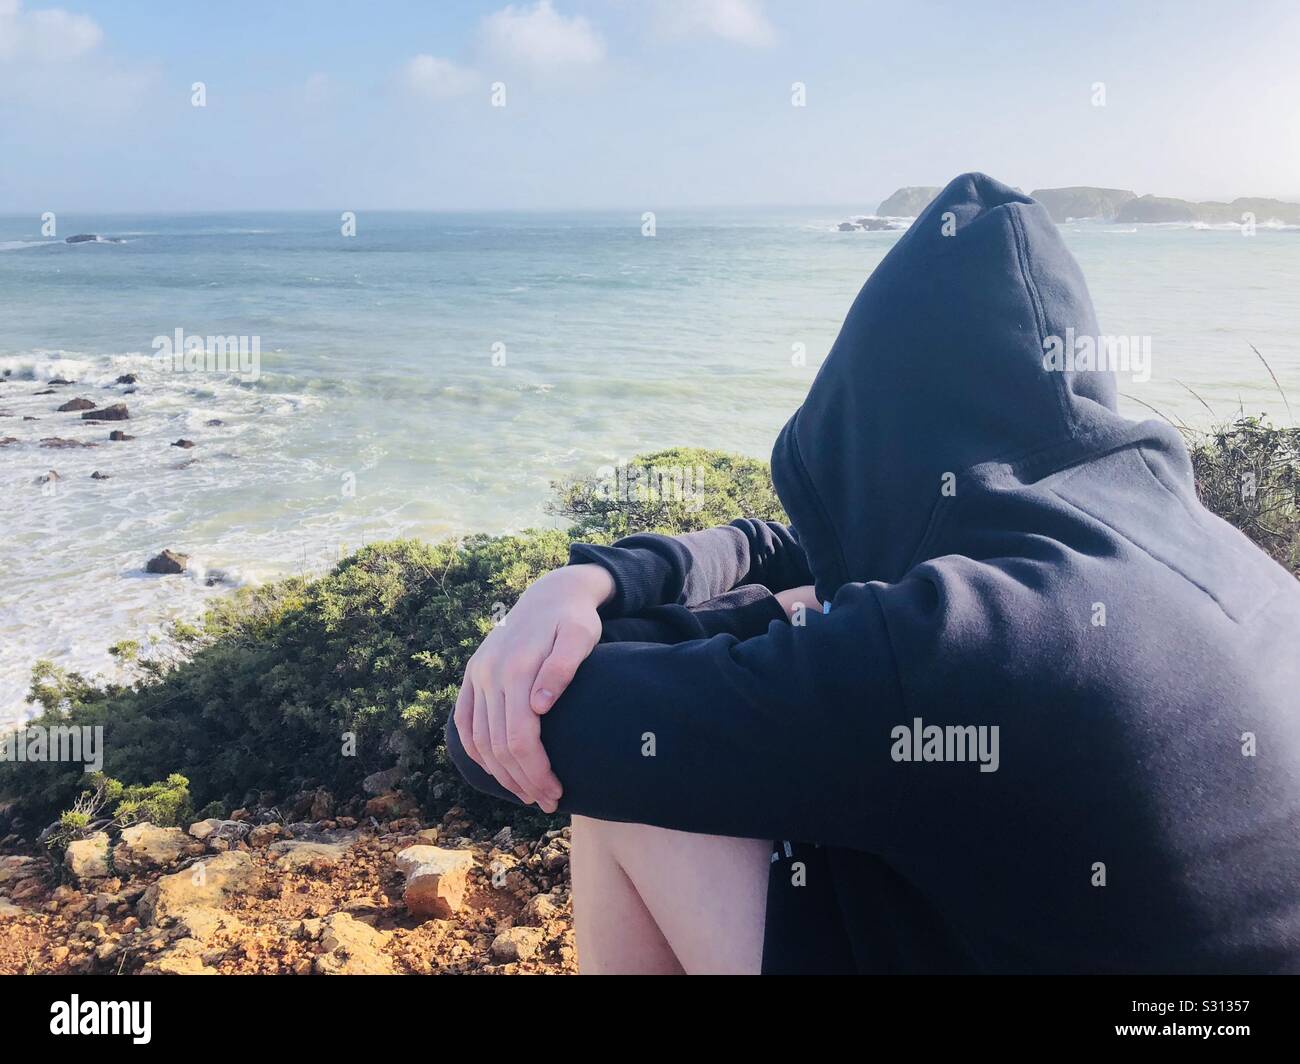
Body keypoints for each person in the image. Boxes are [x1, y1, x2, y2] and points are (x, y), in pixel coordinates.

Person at [446, 173, 1300, 974]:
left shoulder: (961, 641)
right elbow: (795, 546)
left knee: (635, 800)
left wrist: (768, 619)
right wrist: (597, 582)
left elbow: (508, 732)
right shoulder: (1221, 562)